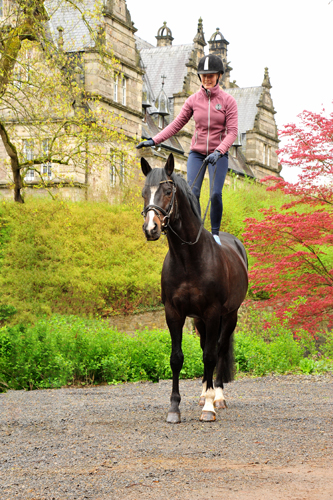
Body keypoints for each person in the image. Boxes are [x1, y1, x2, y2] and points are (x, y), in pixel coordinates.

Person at [136, 54, 238, 246]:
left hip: (219, 155)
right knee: (193, 193)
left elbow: (232, 132)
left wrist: (219, 151)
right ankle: (198, 230)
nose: (207, 79)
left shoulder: (228, 101)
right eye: (204, 75)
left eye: (211, 75)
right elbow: (176, 125)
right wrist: (153, 139)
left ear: (219, 76)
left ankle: (214, 233)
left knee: (216, 193)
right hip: (197, 154)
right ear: (200, 77)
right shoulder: (193, 100)